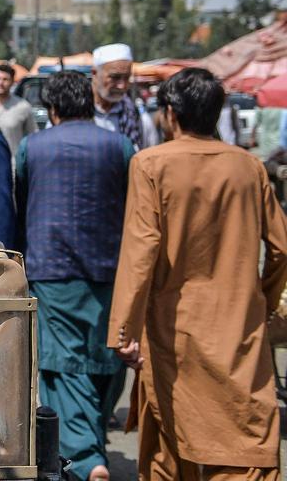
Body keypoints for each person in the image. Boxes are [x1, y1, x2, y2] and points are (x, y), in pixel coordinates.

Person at [110, 68, 287, 480]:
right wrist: (261, 297)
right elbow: (281, 248)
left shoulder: (151, 164)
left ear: (171, 114)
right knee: (246, 436)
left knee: (172, 439)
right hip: (240, 324)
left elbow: (141, 251)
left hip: (176, 325)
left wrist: (124, 330)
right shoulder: (249, 167)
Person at [15, 71, 133, 481]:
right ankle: (92, 442)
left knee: (64, 366)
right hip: (109, 270)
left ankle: (85, 458)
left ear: (52, 109)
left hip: (52, 268)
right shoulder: (119, 147)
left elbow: (21, 203)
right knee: (104, 359)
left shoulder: (32, 148)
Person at [90, 43, 157, 149]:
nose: (122, 85)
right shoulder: (76, 114)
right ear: (94, 73)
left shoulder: (138, 118)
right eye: (115, 77)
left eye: (126, 77)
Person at [0, 63, 36, 154]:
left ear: (12, 82)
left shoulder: (23, 107)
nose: (1, 83)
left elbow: (33, 137)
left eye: (5, 79)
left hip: (13, 165)